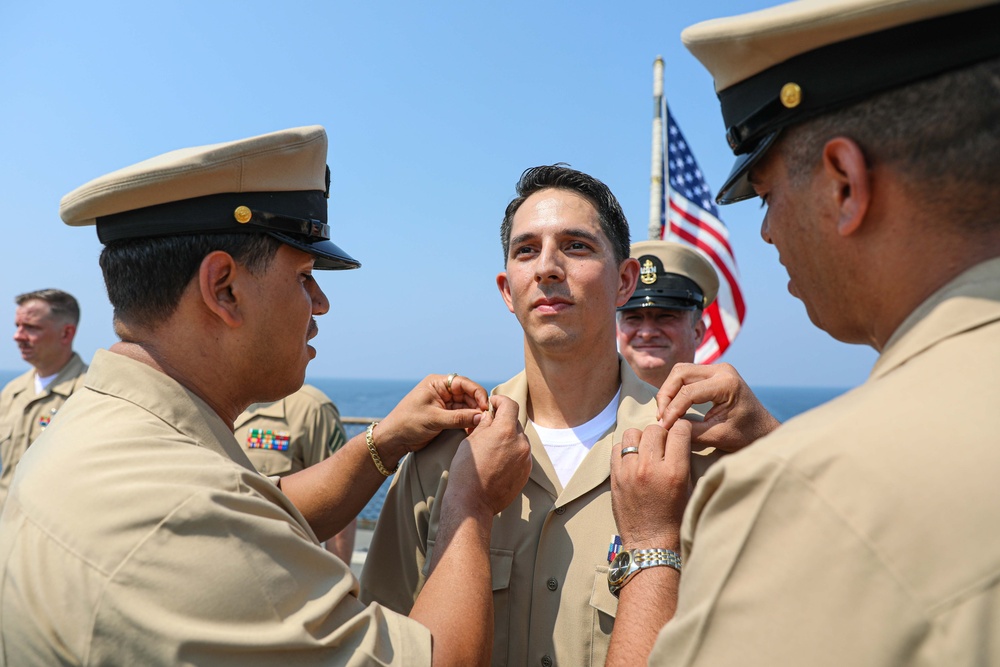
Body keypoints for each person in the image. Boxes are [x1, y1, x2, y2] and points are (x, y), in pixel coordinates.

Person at [0, 125, 532, 666]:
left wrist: (385, 442)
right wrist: (471, 502)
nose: (320, 303)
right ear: (224, 289)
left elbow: (256, 507)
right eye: (304, 275)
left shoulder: (104, 430)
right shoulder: (183, 517)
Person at [607, 0, 1000, 665]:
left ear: (845, 184)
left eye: (764, 194)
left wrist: (649, 546)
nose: (765, 231)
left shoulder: (801, 495)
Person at [361, 165, 727, 667]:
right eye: (526, 250)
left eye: (576, 246)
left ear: (624, 281)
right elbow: (386, 638)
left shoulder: (695, 453)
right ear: (507, 290)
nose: (548, 267)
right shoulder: (444, 456)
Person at [234, 384, 357, 562]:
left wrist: (340, 584)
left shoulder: (311, 409)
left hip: (285, 566)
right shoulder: (213, 399)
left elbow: (341, 499)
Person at [0, 289, 87, 511]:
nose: (17, 336)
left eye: (31, 327)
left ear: (66, 333)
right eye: (17, 326)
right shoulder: (12, 392)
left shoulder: (89, 394)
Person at [617, 240, 717, 388]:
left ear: (697, 332)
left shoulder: (726, 410)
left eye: (665, 317)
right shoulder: (585, 407)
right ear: (618, 331)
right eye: (633, 318)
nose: (647, 333)